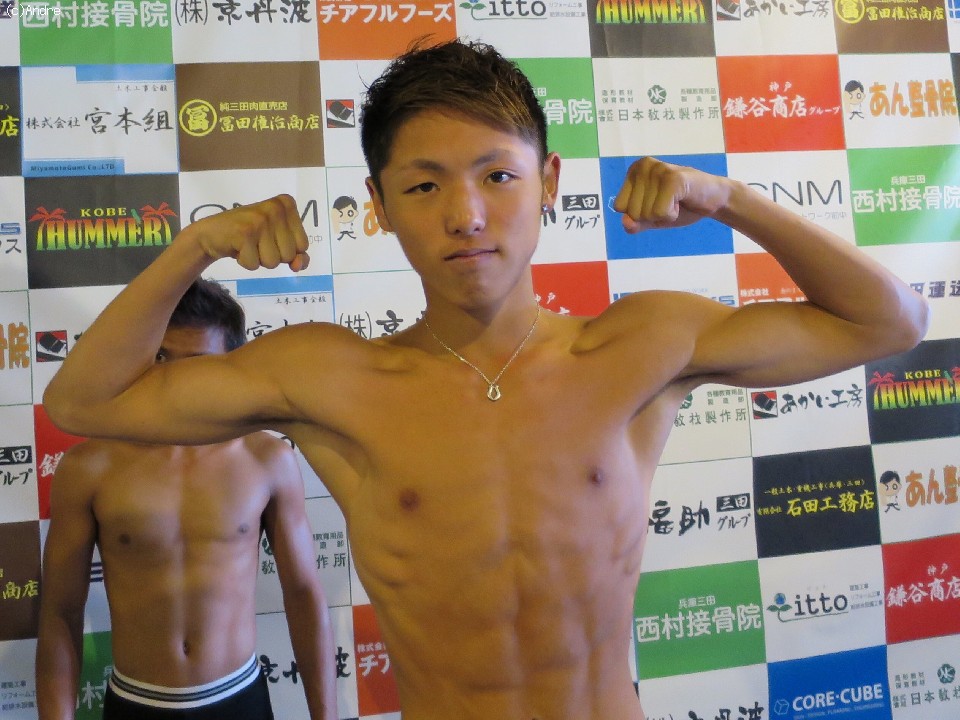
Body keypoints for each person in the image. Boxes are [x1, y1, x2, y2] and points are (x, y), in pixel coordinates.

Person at [43, 39, 930, 720]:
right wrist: (197, 244)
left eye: (498, 175)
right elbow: (83, 401)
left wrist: (732, 200)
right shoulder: (329, 376)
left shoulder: (641, 345)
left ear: (549, 183)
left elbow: (889, 322)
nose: (466, 216)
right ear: (379, 208)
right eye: (424, 188)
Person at [36, 279, 337, 720]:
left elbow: (304, 594)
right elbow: (60, 614)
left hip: (240, 701)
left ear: (231, 366)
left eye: (195, 362)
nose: (170, 378)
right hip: (138, 703)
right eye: (159, 357)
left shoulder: (266, 458)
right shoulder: (89, 467)